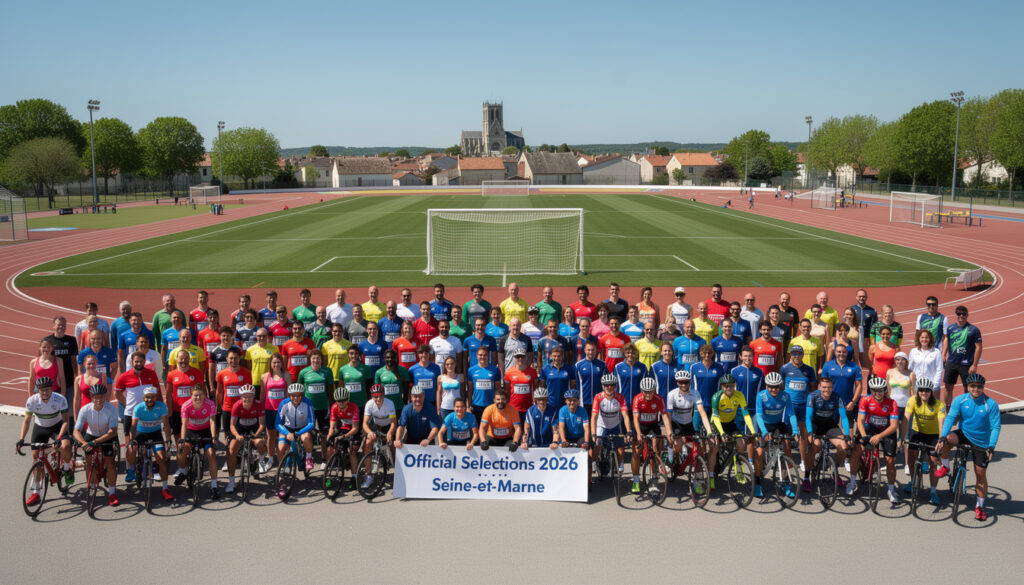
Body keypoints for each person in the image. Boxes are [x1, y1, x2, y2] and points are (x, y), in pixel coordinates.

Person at [936, 373, 1000, 521]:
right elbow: (951, 417)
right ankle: (945, 465)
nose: (976, 389)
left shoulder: (990, 404)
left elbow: (995, 427)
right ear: (968, 387)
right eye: (973, 386)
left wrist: (991, 446)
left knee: (980, 474)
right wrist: (942, 436)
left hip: (981, 441)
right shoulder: (960, 400)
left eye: (979, 386)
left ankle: (980, 506)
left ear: (983, 387)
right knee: (946, 440)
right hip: (963, 434)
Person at [847, 377, 900, 503]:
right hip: (869, 430)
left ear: (885, 390)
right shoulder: (865, 400)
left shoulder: (892, 403)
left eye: (880, 390)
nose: (878, 393)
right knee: (855, 453)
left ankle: (891, 490)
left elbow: (894, 426)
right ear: (871, 390)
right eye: (874, 390)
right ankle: (852, 482)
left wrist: (879, 436)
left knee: (890, 461)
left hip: (886, 432)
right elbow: (860, 420)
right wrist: (865, 436)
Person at [20, 377, 74, 497]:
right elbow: (27, 421)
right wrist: (22, 439)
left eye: (47, 389)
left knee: (65, 446)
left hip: (57, 426)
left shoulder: (60, 399)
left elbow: (65, 421)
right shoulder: (32, 400)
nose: (44, 392)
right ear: (37, 390)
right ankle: (36, 493)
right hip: (40, 427)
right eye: (41, 390)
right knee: (36, 458)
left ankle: (66, 468)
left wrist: (59, 437)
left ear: (52, 389)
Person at [116, 351, 163, 484]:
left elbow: (157, 391)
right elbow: (117, 393)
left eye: (141, 361)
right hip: (130, 414)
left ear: (144, 362)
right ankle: (130, 469)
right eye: (136, 361)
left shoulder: (151, 374)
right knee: (130, 445)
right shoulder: (124, 376)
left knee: (148, 442)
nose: (138, 364)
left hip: (147, 414)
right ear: (132, 362)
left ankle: (149, 465)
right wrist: (127, 404)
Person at [73, 384, 121, 506]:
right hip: (91, 435)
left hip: (107, 436)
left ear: (105, 396)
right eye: (96, 397)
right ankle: (92, 487)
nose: (99, 399)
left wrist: (94, 443)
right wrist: (83, 443)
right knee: (89, 462)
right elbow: (76, 431)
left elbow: (112, 431)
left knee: (110, 462)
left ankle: (112, 493)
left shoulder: (112, 409)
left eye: (101, 397)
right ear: (91, 397)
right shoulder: (85, 409)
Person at [754, 372, 799, 497]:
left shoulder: (785, 396)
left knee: (787, 447)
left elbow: (791, 414)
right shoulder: (761, 396)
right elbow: (759, 416)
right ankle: (757, 481)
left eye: (776, 386)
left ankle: (785, 481)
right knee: (760, 452)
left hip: (778, 423)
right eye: (771, 387)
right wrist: (764, 432)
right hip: (764, 424)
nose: (774, 389)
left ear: (780, 386)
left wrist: (795, 431)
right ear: (767, 386)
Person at [803, 378, 850, 492]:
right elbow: (808, 417)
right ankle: (806, 477)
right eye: (824, 387)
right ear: (819, 387)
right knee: (815, 446)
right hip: (815, 425)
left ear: (832, 388)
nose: (826, 390)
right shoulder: (813, 396)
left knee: (843, 447)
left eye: (829, 387)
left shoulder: (837, 397)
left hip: (829, 425)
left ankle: (835, 471)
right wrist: (810, 433)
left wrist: (847, 435)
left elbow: (843, 417)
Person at [174, 385, 221, 499]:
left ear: (204, 394)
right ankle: (184, 471)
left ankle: (214, 485)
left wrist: (214, 437)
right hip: (191, 430)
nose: (198, 397)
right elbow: (184, 424)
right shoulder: (186, 406)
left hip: (205, 431)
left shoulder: (210, 404)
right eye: (195, 395)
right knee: (181, 449)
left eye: (200, 395)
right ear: (191, 395)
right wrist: (182, 439)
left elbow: (212, 422)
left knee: (211, 453)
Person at [902, 378, 944, 505]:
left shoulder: (939, 405)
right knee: (911, 458)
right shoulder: (912, 401)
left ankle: (933, 491)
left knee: (933, 463)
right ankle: (913, 481)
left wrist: (941, 440)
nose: (924, 393)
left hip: (933, 435)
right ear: (917, 391)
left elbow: (941, 424)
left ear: (931, 392)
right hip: (917, 433)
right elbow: (906, 420)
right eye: (921, 390)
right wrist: (903, 438)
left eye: (927, 391)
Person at [709, 374, 755, 487]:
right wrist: (722, 433)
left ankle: (739, 472)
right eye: (725, 386)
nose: (728, 388)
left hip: (730, 423)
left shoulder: (739, 395)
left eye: (730, 386)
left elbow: (746, 415)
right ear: (721, 386)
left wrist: (753, 431)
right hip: (717, 423)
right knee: (715, 446)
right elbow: (715, 417)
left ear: (734, 386)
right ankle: (710, 476)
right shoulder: (716, 397)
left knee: (741, 443)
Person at [131, 385, 175, 501]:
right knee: (134, 450)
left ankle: (165, 488)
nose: (149, 399)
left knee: (161, 458)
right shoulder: (138, 408)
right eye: (147, 397)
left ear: (156, 397)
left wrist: (168, 440)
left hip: (156, 434)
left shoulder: (162, 406)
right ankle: (136, 467)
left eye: (152, 397)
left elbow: (166, 425)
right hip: (142, 434)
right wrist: (132, 440)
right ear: (143, 397)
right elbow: (133, 426)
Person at [666, 369, 713, 473]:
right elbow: (668, 415)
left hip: (688, 424)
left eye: (686, 382)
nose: (683, 385)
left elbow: (702, 412)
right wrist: (669, 431)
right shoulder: (671, 394)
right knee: (678, 444)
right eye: (681, 382)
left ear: (690, 382)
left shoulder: (695, 393)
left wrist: (709, 431)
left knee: (699, 448)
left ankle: (698, 475)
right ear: (677, 382)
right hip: (676, 424)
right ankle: (668, 459)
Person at [630, 377, 671, 494]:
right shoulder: (637, 399)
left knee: (655, 451)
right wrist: (638, 434)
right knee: (636, 452)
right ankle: (636, 480)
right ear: (642, 390)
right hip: (641, 426)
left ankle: (654, 479)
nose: (648, 395)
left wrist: (669, 433)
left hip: (653, 426)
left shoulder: (659, 399)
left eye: (651, 391)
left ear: (655, 390)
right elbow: (636, 418)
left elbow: (664, 416)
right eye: (646, 392)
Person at [942, 305, 983, 407]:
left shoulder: (974, 330)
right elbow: (946, 340)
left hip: (966, 364)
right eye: (959, 314)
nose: (961, 316)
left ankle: (967, 408)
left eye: (964, 314)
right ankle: (948, 408)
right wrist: (943, 354)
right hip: (952, 362)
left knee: (968, 388)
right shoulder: (951, 328)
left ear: (967, 315)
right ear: (956, 315)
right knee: (948, 386)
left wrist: (974, 364)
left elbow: (978, 347)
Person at [274, 383, 316, 481]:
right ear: (289, 395)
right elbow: (277, 423)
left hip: (302, 428)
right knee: (280, 448)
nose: (296, 398)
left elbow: (311, 423)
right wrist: (287, 433)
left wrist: (299, 433)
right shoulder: (284, 403)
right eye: (293, 395)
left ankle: (309, 458)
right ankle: (281, 468)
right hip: (287, 429)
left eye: (298, 395)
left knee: (306, 438)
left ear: (302, 395)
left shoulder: (308, 403)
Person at [298, 348, 334, 460]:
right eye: (313, 358)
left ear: (321, 360)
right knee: (307, 433)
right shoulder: (304, 372)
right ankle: (309, 457)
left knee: (324, 435)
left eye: (318, 358)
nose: (316, 360)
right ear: (310, 359)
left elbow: (330, 391)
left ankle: (324, 458)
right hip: (309, 408)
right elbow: (300, 391)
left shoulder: (327, 371)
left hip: (323, 408)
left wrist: (332, 406)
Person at [360, 384, 396, 489]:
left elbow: (393, 422)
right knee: (368, 443)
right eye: (375, 396)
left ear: (384, 394)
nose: (378, 399)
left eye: (380, 396)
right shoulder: (369, 404)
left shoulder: (390, 403)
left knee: (392, 446)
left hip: (388, 426)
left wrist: (390, 433)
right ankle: (368, 475)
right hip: (376, 426)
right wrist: (370, 432)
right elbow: (364, 424)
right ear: (372, 396)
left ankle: (397, 471)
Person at [260, 353, 291, 466]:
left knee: (282, 435)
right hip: (269, 410)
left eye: (278, 362)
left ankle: (282, 458)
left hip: (283, 410)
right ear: (271, 364)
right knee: (271, 435)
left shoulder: (286, 375)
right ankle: (271, 458)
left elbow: (290, 393)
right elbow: (263, 394)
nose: (276, 364)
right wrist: (261, 409)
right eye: (274, 362)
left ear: (281, 363)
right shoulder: (265, 376)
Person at [886, 351, 915, 469]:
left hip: (906, 406)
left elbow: (913, 392)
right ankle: (890, 461)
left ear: (906, 361)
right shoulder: (890, 372)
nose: (900, 362)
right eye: (897, 359)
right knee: (891, 433)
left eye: (902, 359)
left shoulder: (911, 374)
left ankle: (907, 464)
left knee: (906, 435)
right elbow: (888, 390)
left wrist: (913, 407)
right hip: (893, 406)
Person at [819, 344, 862, 418]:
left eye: (843, 352)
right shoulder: (827, 366)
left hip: (848, 404)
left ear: (847, 353)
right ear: (835, 353)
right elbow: (822, 385)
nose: (841, 354)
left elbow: (859, 386)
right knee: (830, 428)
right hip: (830, 403)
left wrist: (853, 402)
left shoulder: (855, 366)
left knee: (848, 428)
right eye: (839, 352)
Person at [44, 316, 79, 399]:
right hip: (52, 381)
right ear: (54, 326)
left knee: (68, 408)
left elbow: (73, 360)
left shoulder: (72, 340)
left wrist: (76, 376)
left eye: (63, 325)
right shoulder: (47, 341)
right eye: (59, 325)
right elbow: (43, 360)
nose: (61, 327)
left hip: (69, 380)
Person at [115, 312, 155, 376]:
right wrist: (122, 372)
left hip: (145, 366)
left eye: (139, 320)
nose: (136, 322)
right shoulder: (123, 335)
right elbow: (120, 355)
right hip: (130, 366)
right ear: (130, 321)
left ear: (142, 321)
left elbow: (153, 350)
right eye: (134, 320)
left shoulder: (149, 334)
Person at [374, 349, 411, 414]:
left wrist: (405, 403)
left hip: (398, 406)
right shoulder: (379, 372)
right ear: (384, 359)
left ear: (396, 358)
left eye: (392, 357)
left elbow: (406, 389)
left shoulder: (403, 370)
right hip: (384, 406)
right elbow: (377, 392)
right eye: (387, 357)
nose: (390, 359)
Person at [244, 328, 279, 397]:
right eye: (259, 336)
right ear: (256, 337)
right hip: (255, 381)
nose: (262, 338)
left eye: (264, 336)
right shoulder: (250, 350)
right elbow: (248, 367)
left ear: (267, 336)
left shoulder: (274, 348)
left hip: (269, 381)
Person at [504, 348, 537, 421]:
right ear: (514, 358)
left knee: (527, 430)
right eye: (517, 356)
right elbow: (507, 391)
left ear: (526, 357)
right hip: (513, 408)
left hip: (529, 408)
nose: (520, 358)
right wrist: (507, 405)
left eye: (522, 356)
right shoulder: (508, 372)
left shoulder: (533, 372)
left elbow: (536, 389)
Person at [468, 347, 501, 420]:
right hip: (476, 405)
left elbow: (498, 389)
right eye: (480, 355)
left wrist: (497, 403)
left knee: (490, 430)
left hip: (491, 405)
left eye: (485, 355)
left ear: (488, 355)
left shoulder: (495, 369)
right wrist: (469, 405)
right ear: (477, 356)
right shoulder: (471, 370)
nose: (482, 357)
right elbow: (470, 389)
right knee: (478, 429)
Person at [575, 341, 607, 412]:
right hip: (584, 400)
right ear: (585, 350)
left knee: (598, 422)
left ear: (596, 350)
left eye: (593, 350)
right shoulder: (578, 365)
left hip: (599, 400)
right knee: (586, 423)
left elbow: (605, 383)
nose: (591, 352)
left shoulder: (602, 365)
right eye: (588, 350)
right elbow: (577, 384)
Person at [540, 346, 575, 411]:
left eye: (559, 356)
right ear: (551, 356)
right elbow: (542, 387)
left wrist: (570, 400)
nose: (556, 358)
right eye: (554, 356)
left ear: (562, 357)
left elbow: (573, 386)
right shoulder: (545, 369)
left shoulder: (569, 369)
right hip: (550, 403)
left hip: (565, 403)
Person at [409, 344, 442, 412]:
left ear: (429, 354)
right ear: (418, 354)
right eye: (421, 353)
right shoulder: (412, 369)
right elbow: (410, 388)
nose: (423, 355)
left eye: (426, 352)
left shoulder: (436, 368)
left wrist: (438, 404)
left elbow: (438, 388)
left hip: (432, 402)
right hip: (418, 402)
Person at [909, 330, 943, 394]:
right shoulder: (913, 351)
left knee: (932, 403)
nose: (924, 339)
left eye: (927, 337)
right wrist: (911, 383)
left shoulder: (936, 352)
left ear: (930, 339)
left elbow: (939, 369)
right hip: (917, 384)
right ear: (918, 338)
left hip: (931, 385)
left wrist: (936, 384)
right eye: (922, 337)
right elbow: (910, 368)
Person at [614, 343, 647, 408]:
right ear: (624, 354)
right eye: (628, 353)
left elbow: (645, 387)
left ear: (636, 354)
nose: (630, 355)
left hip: (639, 403)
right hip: (623, 403)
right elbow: (615, 386)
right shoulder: (618, 367)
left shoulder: (643, 367)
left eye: (632, 353)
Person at [338, 346, 372, 410]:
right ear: (348, 354)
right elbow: (341, 387)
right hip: (347, 404)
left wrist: (369, 402)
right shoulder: (342, 369)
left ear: (359, 354)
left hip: (362, 404)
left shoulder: (366, 368)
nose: (354, 356)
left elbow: (369, 387)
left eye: (356, 353)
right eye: (351, 353)